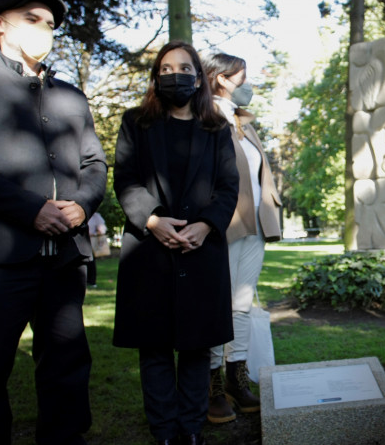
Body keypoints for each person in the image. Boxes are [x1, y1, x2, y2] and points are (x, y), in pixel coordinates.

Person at [0, 0, 107, 445]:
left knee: (66, 367)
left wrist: (83, 204)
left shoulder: (72, 97)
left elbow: (95, 164)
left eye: (51, 25)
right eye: (31, 18)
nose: (44, 30)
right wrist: (29, 210)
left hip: (63, 259)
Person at [112, 41, 239, 445]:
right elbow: (125, 178)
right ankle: (164, 430)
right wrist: (151, 219)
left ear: (199, 76)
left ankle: (191, 427)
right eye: (165, 69)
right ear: (155, 77)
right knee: (154, 348)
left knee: (197, 347)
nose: (174, 75)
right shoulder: (136, 122)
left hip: (200, 251)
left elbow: (227, 186)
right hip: (150, 251)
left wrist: (205, 225)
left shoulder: (216, 128)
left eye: (184, 67)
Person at [202, 53, 282, 423]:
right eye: (241, 77)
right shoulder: (205, 118)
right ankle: (211, 385)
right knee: (216, 305)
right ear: (220, 78)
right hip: (224, 223)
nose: (247, 85)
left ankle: (237, 377)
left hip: (255, 226)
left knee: (241, 304)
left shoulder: (242, 121)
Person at [86, 211, 108, 288]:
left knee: (91, 262)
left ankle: (91, 281)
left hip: (91, 242)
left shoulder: (95, 216)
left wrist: (94, 234)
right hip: (81, 241)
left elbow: (102, 229)